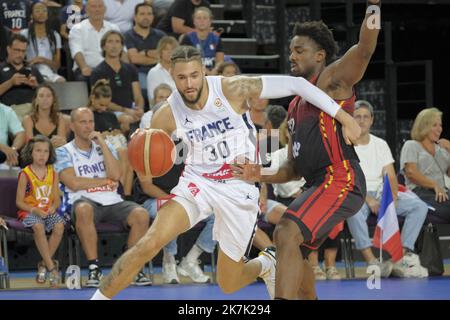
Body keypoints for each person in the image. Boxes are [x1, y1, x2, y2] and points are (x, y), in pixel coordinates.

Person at [90, 45, 361, 300]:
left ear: (204, 71)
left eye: (195, 75)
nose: (189, 83)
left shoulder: (231, 89)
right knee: (149, 244)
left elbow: (297, 84)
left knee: (228, 283)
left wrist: (345, 117)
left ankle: (266, 263)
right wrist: (142, 148)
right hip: (198, 185)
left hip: (238, 187)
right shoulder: (166, 115)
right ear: (172, 76)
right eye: (182, 77)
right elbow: (149, 153)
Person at [234, 0, 382, 300]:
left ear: (320, 55)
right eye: (290, 50)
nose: (291, 55)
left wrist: (374, 7)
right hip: (317, 183)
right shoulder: (295, 106)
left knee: (286, 230)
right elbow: (292, 168)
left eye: (298, 50)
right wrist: (257, 173)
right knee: (295, 248)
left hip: (341, 178)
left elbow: (365, 49)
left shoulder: (332, 81)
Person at [55, 107, 151, 288]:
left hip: (112, 200)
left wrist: (103, 145)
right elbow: (73, 183)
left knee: (141, 214)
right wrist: (104, 181)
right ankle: (94, 268)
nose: (88, 126)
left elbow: (116, 176)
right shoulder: (63, 152)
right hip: (82, 200)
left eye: (90, 121)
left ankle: (130, 266)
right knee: (84, 210)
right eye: (83, 122)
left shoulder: (105, 148)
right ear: (72, 126)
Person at [347, 100, 429, 278]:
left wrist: (391, 198)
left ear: (372, 120)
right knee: (352, 211)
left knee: (419, 207)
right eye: (357, 117)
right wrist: (369, 200)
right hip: (357, 193)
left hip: (381, 193)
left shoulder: (380, 144)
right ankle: (371, 261)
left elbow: (391, 176)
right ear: (351, 119)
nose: (361, 121)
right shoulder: (345, 144)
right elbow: (349, 180)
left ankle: (399, 259)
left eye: (365, 117)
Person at [134, 139, 215, 284]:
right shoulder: (146, 145)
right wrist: (176, 201)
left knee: (217, 215)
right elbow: (147, 187)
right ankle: (169, 261)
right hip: (151, 200)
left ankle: (190, 260)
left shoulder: (187, 145)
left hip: (181, 198)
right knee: (173, 211)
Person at [16, 135, 65, 286]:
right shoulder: (25, 174)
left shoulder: (53, 173)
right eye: (38, 151)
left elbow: (56, 198)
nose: (42, 154)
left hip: (47, 211)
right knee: (38, 226)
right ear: (30, 153)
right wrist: (34, 210)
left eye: (45, 151)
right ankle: (51, 267)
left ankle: (43, 264)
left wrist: (53, 207)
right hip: (29, 212)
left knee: (59, 226)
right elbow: (19, 202)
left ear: (50, 154)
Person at [400, 107, 450, 223]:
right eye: (434, 125)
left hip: (443, 193)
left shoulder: (441, 150)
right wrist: (434, 185)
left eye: (440, 125)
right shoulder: (411, 145)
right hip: (420, 193)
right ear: (423, 126)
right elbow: (411, 172)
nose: (439, 129)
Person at [87, 79, 134, 199]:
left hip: (115, 144)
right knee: (123, 153)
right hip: (99, 146)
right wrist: (103, 135)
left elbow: (118, 131)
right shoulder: (88, 115)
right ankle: (120, 191)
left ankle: (127, 195)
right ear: (93, 98)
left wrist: (116, 132)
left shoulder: (111, 115)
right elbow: (88, 134)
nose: (103, 108)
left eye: (106, 105)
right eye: (101, 105)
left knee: (129, 158)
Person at [91, 30, 144, 133]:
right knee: (126, 119)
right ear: (104, 46)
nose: (114, 46)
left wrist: (139, 109)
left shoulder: (131, 69)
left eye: (117, 42)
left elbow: (138, 95)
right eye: (110, 42)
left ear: (121, 46)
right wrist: (126, 110)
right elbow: (100, 101)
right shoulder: (98, 71)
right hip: (109, 112)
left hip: (131, 110)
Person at [68, 0, 121, 82]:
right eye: (93, 6)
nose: (97, 10)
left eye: (100, 6)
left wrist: (126, 68)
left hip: (112, 68)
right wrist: (84, 67)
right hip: (88, 69)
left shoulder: (113, 28)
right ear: (86, 10)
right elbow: (77, 52)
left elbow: (122, 51)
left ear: (105, 9)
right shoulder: (77, 29)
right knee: (83, 78)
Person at [0, 33, 44, 122]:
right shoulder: (0, 68)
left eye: (23, 51)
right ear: (8, 49)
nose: (20, 54)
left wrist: (36, 86)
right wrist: (11, 82)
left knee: (66, 119)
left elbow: (48, 93)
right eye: (17, 50)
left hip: (33, 109)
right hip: (11, 111)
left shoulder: (32, 69)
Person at [124, 3, 166, 91]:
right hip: (139, 72)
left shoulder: (161, 35)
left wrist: (146, 52)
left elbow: (169, 56)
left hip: (161, 71)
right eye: (142, 14)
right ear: (135, 17)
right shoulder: (128, 35)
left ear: (153, 17)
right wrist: (158, 57)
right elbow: (135, 59)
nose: (146, 17)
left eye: (149, 14)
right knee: (144, 88)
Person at [21, 2, 65, 83]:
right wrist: (32, 62)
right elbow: (20, 61)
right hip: (31, 72)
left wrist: (42, 60)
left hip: (50, 72)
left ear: (47, 15)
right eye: (37, 11)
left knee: (61, 81)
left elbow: (57, 65)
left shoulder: (55, 35)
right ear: (31, 15)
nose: (41, 13)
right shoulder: (24, 34)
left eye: (44, 11)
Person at [180, 6, 224, 75]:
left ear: (210, 21)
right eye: (199, 18)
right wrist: (204, 70)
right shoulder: (187, 38)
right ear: (194, 21)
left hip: (213, 73)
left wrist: (215, 70)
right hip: (193, 73)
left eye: (205, 18)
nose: (202, 21)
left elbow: (220, 61)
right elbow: (185, 60)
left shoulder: (216, 38)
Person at [22, 84, 67, 148]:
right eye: (41, 96)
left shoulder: (59, 118)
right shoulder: (28, 119)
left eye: (48, 96)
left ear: (53, 100)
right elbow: (29, 145)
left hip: (55, 155)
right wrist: (50, 144)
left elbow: (62, 143)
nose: (45, 99)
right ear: (36, 100)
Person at [146, 36, 178, 103]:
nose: (170, 52)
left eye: (172, 49)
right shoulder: (154, 72)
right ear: (160, 52)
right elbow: (153, 99)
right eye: (166, 49)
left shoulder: (181, 71)